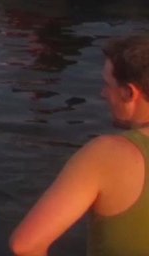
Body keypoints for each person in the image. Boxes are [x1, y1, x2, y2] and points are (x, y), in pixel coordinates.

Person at [10, 35, 149, 256]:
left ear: (129, 92)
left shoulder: (109, 154)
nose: (103, 93)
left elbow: (25, 246)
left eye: (108, 85)